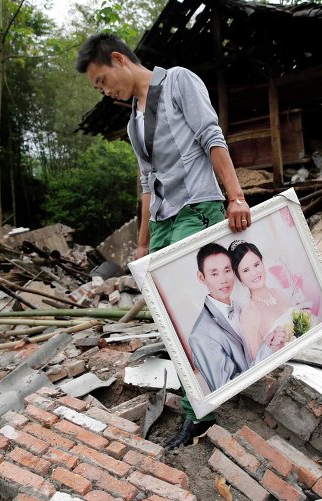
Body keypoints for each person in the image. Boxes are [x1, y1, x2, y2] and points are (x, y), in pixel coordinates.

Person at [76, 33, 252, 451]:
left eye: (102, 81)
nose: (105, 91)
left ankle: (202, 413)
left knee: (190, 316)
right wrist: (142, 244)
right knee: (173, 320)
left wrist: (236, 195)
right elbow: (145, 183)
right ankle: (212, 388)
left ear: (119, 60)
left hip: (198, 208)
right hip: (164, 222)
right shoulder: (133, 120)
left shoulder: (178, 82)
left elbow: (212, 137)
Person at [188, 243, 285, 394]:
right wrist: (267, 350)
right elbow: (227, 389)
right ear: (201, 277)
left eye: (227, 271)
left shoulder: (241, 308)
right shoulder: (201, 335)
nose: (223, 280)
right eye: (214, 274)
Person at [229, 240, 298, 359]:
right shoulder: (248, 315)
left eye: (256, 265)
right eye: (246, 270)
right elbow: (258, 361)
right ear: (239, 277)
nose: (254, 273)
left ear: (262, 262)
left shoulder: (277, 292)